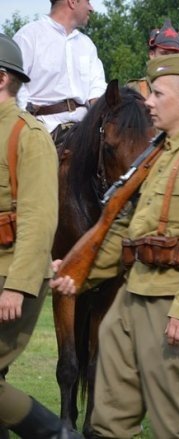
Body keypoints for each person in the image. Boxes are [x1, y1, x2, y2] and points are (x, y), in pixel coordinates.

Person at [50, 53, 179, 438]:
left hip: (170, 303)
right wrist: (76, 272)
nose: (147, 101)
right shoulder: (157, 153)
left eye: (157, 93)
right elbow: (126, 231)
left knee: (175, 425)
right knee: (109, 420)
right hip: (130, 298)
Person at [0, 33, 79, 438]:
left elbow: (39, 219)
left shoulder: (28, 135)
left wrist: (17, 286)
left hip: (10, 275)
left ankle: (56, 434)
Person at [13, 0, 106, 137]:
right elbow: (15, 86)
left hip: (84, 132)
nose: (91, 8)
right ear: (73, 2)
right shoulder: (28, 36)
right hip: (42, 131)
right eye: (88, 1)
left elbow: (97, 90)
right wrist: (30, 128)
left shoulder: (87, 44)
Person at [127, 19, 179, 99]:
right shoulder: (134, 90)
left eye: (175, 54)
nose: (169, 59)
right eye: (164, 53)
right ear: (152, 55)